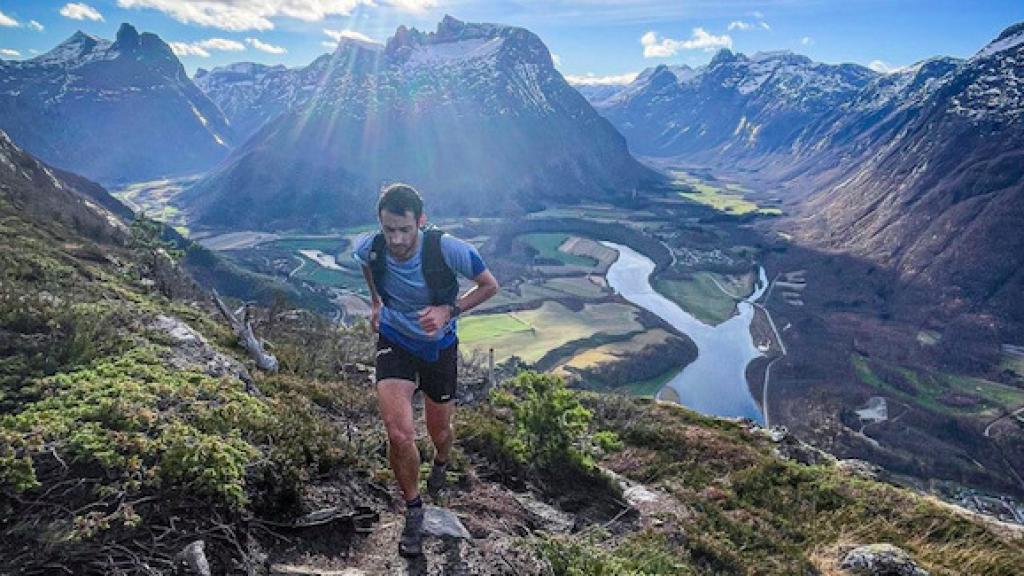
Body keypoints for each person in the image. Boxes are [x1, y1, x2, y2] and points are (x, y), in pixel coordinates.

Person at [353, 183, 499, 557]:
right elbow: (368, 265)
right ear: (380, 224)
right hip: (395, 339)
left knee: (439, 430)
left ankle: (442, 460)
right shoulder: (371, 247)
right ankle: (414, 509)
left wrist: (448, 310)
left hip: (439, 347)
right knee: (399, 434)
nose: (397, 239)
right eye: (389, 230)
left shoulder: (447, 248)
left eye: (404, 229)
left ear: (421, 220)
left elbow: (489, 285)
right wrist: (375, 304)